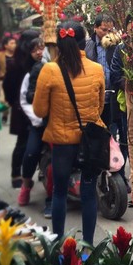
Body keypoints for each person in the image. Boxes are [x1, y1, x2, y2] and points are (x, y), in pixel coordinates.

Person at [33, 21, 105, 244]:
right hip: (90, 142)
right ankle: (89, 248)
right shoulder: (97, 69)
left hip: (62, 142)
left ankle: (58, 244)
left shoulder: (50, 70)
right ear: (84, 41)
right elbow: (100, 106)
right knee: (88, 193)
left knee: (60, 193)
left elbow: (39, 110)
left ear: (58, 44)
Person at [3, 30, 40, 191]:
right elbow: (7, 86)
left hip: (37, 106)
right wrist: (14, 103)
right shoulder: (15, 64)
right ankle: (16, 175)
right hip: (21, 108)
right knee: (22, 143)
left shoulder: (38, 63)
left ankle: (36, 171)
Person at [19, 37, 50, 211]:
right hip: (37, 123)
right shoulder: (28, 75)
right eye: (34, 50)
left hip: (55, 122)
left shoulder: (51, 68)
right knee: (31, 153)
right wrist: (37, 118)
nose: (38, 52)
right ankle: (25, 184)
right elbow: (24, 101)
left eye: (41, 48)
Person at [85, 13, 119, 128]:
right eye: (104, 30)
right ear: (95, 27)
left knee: (112, 132)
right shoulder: (87, 46)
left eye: (110, 30)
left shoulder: (116, 45)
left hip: (113, 97)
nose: (107, 33)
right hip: (94, 98)